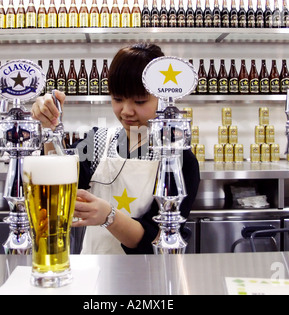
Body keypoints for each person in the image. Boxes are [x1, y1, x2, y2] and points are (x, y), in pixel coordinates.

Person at [31, 43, 200, 254]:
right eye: (117, 99)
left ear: (163, 98)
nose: (126, 111)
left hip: (148, 277)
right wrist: (51, 128)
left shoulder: (177, 159)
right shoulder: (98, 141)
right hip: (95, 275)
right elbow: (58, 182)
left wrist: (109, 216)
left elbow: (157, 239)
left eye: (140, 101)